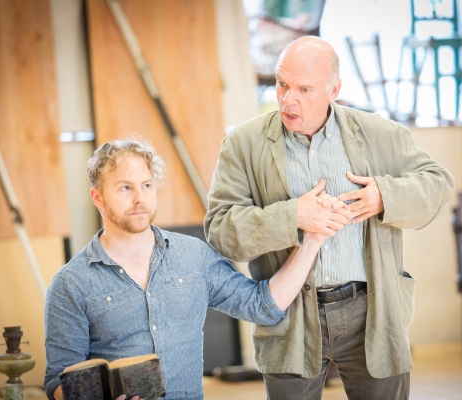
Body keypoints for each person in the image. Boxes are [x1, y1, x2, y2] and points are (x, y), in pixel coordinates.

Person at [204, 36, 455, 400]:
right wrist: (293, 215)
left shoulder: (378, 133)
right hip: (289, 318)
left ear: (333, 89)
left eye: (304, 89)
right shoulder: (243, 144)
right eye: (282, 84)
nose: (288, 99)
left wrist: (384, 196)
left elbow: (438, 182)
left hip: (371, 312)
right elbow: (221, 230)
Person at [43, 137, 349, 400]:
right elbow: (58, 380)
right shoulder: (71, 283)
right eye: (125, 188)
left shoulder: (193, 256)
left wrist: (312, 241)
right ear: (97, 197)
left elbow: (263, 306)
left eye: (146, 185)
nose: (139, 198)